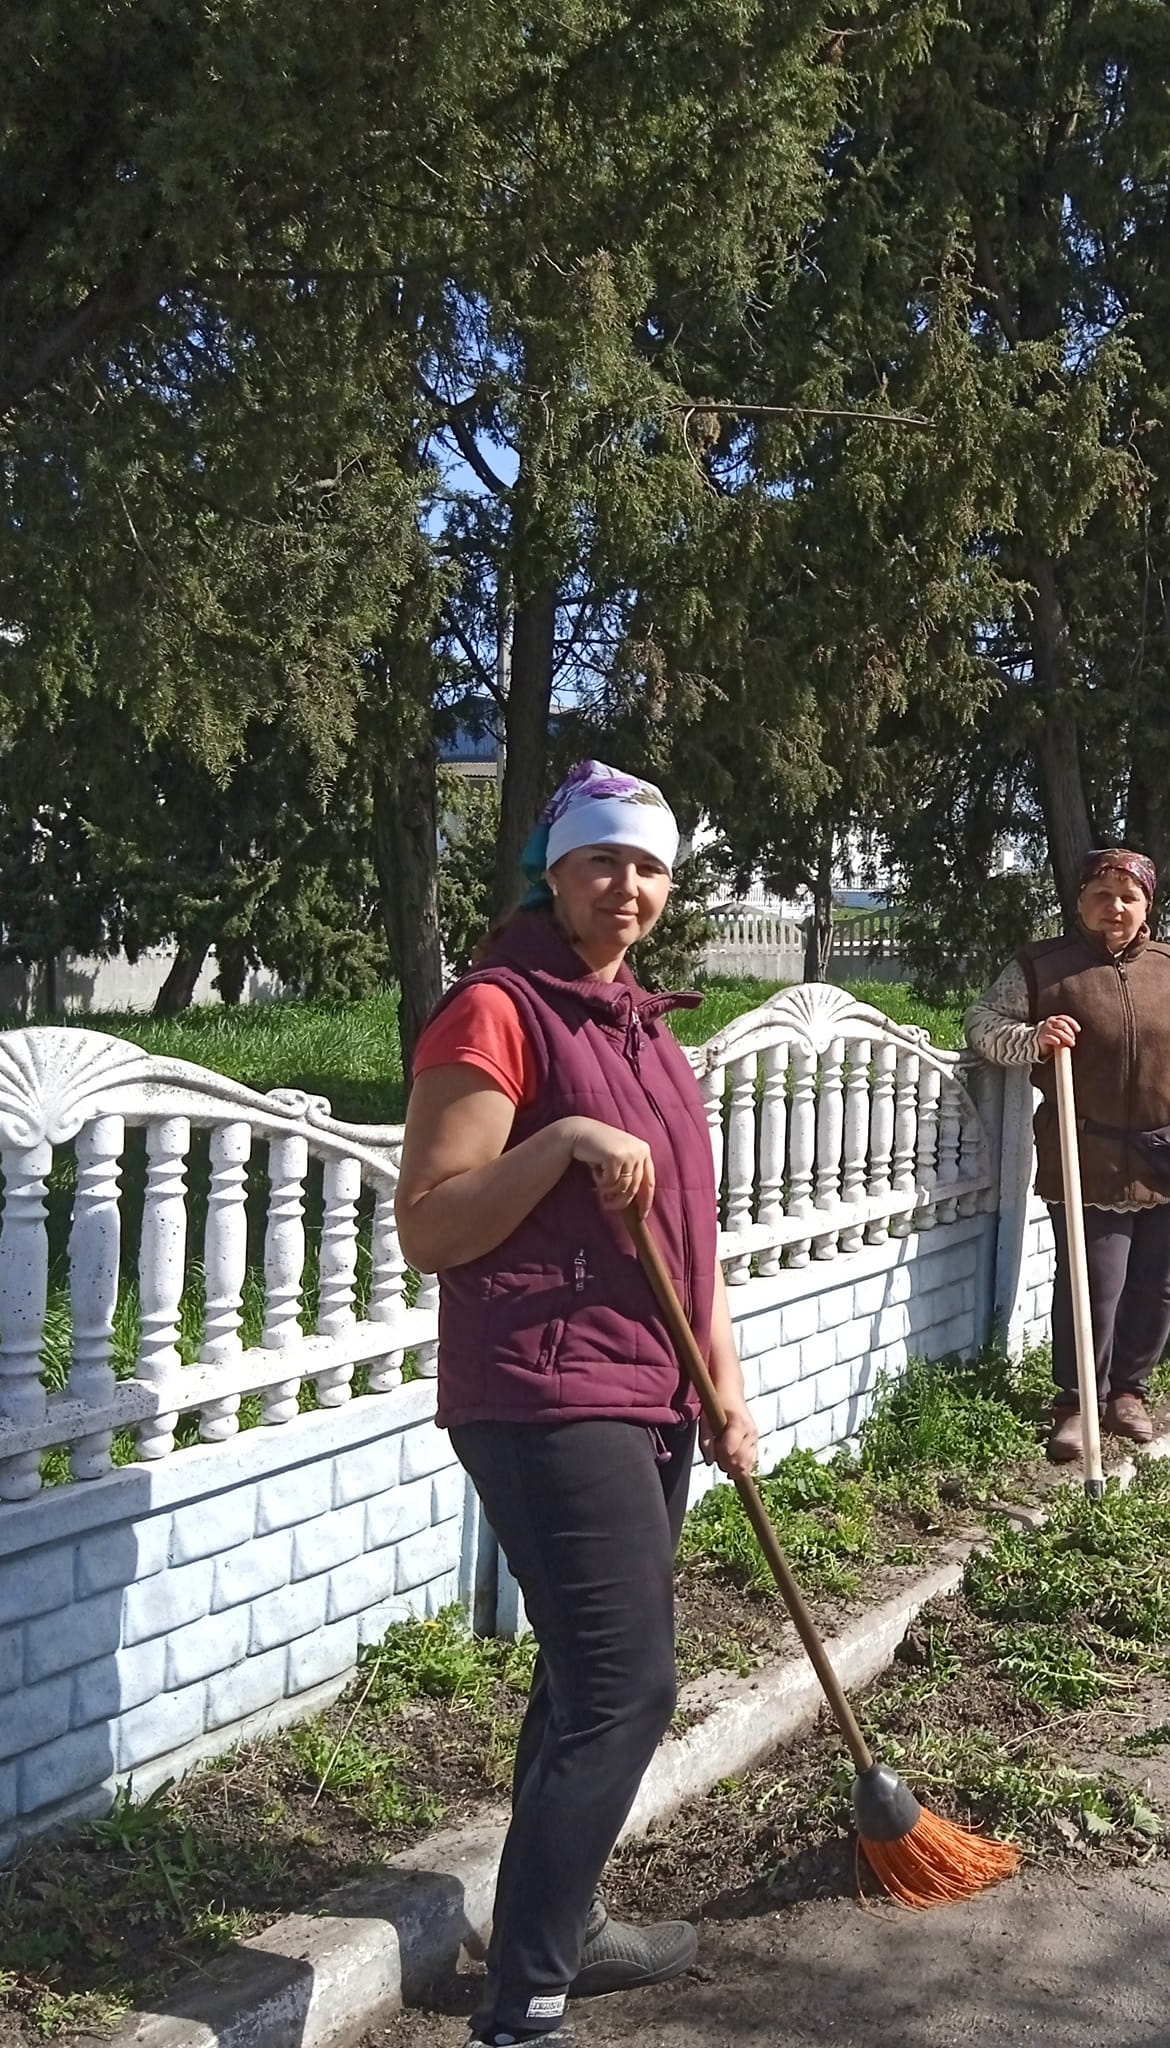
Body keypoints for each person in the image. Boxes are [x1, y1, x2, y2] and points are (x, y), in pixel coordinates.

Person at [396, 761, 760, 2048]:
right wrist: (554, 1145)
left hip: (646, 1381)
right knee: (625, 1685)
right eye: (604, 859)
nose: (630, 886)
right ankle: (526, 2001)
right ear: (552, 868)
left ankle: (564, 1921)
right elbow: (432, 1225)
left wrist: (723, 1382)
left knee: (580, 1676)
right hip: (544, 1387)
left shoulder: (641, 1026)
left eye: (651, 865)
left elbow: (688, 1233)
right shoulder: (495, 1010)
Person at [966, 849, 1170, 1458]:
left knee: (1159, 1283)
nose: (1114, 907)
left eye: (1128, 897)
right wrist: (1031, 1037)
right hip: (1088, 1150)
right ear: (1080, 901)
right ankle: (1076, 1401)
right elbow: (981, 1021)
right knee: (1093, 1282)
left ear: (1147, 907)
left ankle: (1128, 1393)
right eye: (1100, 895)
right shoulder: (1043, 968)